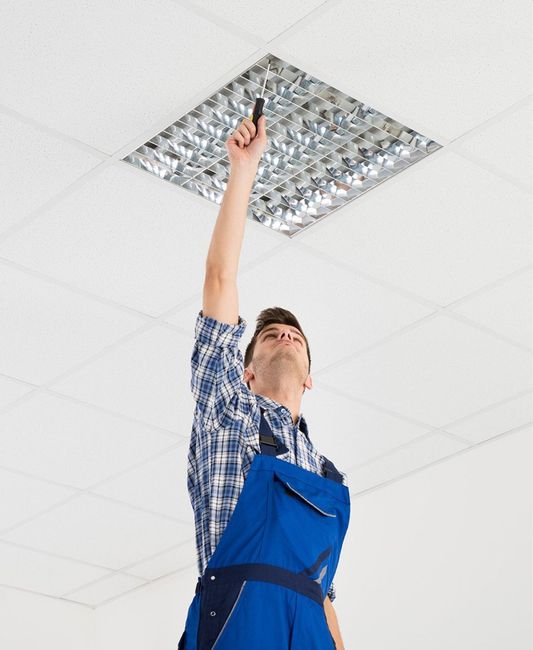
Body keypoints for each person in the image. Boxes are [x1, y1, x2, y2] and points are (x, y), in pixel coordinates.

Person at [178, 114, 350, 649]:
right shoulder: (226, 410)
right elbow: (219, 279)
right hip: (237, 628)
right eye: (270, 334)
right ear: (246, 370)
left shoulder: (326, 473)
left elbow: (323, 595)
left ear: (311, 378)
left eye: (294, 335)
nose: (285, 336)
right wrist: (244, 171)